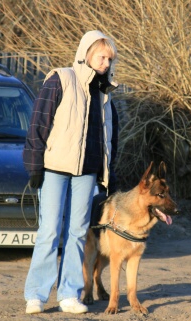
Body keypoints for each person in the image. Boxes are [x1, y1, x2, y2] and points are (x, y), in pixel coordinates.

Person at [22, 30, 119, 314]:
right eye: (102, 56)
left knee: (77, 232)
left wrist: (109, 175)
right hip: (54, 168)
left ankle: (69, 295)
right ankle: (36, 295)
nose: (106, 62)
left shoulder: (106, 92)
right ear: (87, 52)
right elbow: (38, 123)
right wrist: (34, 166)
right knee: (49, 231)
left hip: (87, 172)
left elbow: (111, 137)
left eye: (109, 58)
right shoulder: (60, 79)